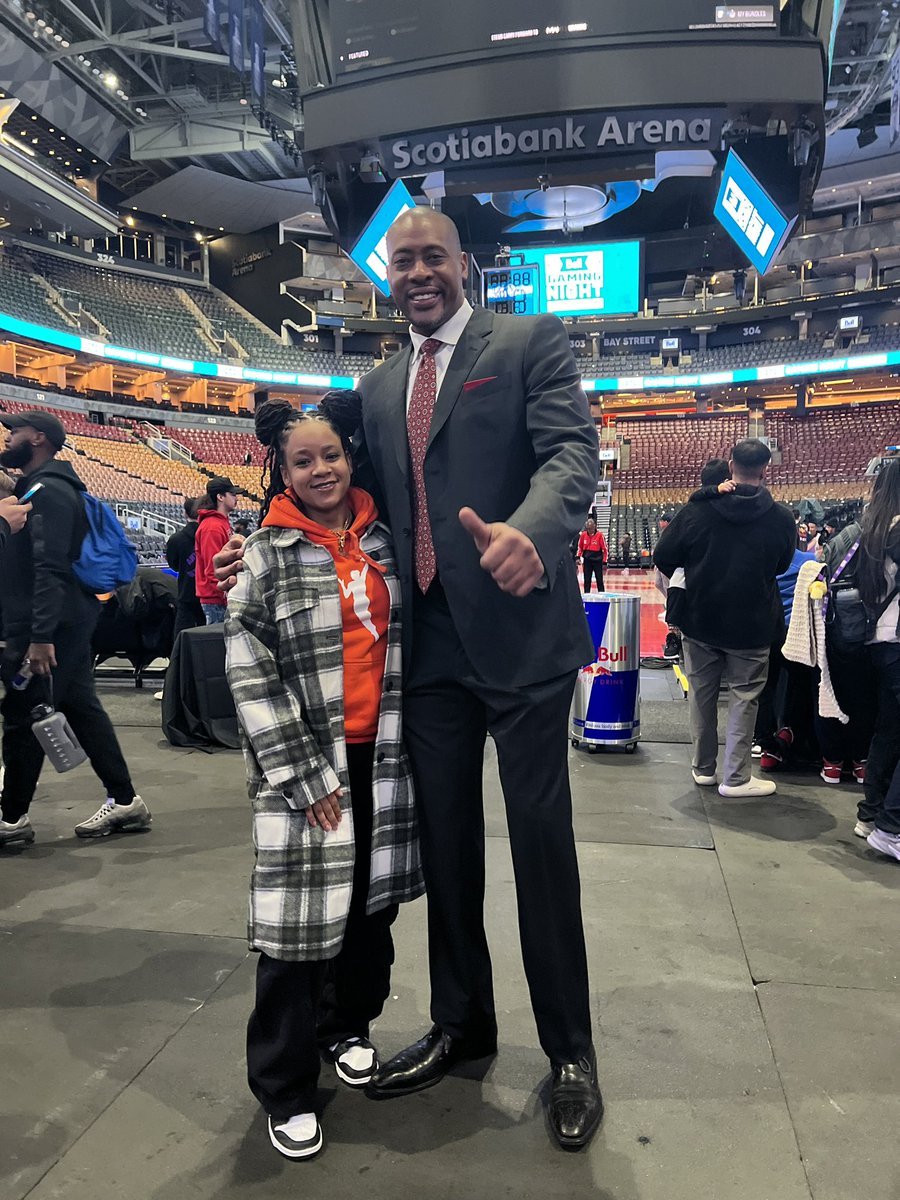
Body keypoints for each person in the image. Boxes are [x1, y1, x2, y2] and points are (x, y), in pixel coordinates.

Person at [215, 208, 602, 1149]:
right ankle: (464, 1025)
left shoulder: (528, 340)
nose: (419, 271)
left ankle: (571, 1055)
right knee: (449, 856)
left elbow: (572, 453)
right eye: (404, 261)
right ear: (389, 276)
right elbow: (322, 477)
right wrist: (257, 545)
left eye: (434, 255)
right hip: (425, 660)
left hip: (520, 649)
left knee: (542, 855)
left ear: (464, 264)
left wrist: (535, 531)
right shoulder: (378, 385)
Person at [225, 394, 423, 1160]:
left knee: (370, 913)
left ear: (350, 455)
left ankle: (347, 1027)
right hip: (309, 765)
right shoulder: (267, 554)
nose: (320, 471)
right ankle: (283, 1083)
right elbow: (247, 665)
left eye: (330, 455)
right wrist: (303, 775)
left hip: (387, 756)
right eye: (301, 460)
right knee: (295, 929)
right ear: (281, 468)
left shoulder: (387, 539)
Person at [0, 409, 150, 847]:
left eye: (15, 433)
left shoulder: (47, 492)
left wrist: (40, 637)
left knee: (24, 714)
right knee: (80, 706)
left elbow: (48, 569)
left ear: (39, 439)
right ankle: (125, 801)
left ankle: (11, 818)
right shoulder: (40, 488)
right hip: (64, 617)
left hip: (51, 625)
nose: (9, 440)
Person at [653, 439, 796, 798]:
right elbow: (781, 565)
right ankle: (735, 777)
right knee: (745, 698)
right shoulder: (780, 518)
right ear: (765, 470)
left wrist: (698, 573)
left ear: (730, 465)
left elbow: (663, 554)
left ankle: (703, 769)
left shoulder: (699, 510)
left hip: (701, 618)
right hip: (752, 623)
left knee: (701, 694)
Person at [851, 461, 900, 857]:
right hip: (897, 640)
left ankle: (872, 815)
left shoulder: (872, 529)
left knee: (889, 731)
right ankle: (891, 827)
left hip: (880, 641)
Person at [195, 476, 244, 624]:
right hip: (216, 599)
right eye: (233, 494)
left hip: (219, 596)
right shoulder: (212, 527)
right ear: (220, 497)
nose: (237, 498)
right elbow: (212, 570)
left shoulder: (220, 523)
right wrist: (225, 593)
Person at [165, 496, 205, 641]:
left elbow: (174, 566)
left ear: (185, 513)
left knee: (180, 637)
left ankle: (180, 663)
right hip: (207, 594)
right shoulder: (209, 534)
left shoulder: (176, 539)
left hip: (186, 592)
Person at [577, 515, 608, 593]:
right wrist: (578, 557)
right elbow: (580, 547)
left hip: (597, 560)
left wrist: (604, 561)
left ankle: (602, 595)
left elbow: (605, 549)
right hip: (587, 560)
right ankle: (586, 595)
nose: (589, 530)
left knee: (599, 579)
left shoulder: (600, 535)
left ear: (595, 526)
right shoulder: (583, 535)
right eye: (588, 528)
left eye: (590, 528)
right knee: (587, 579)